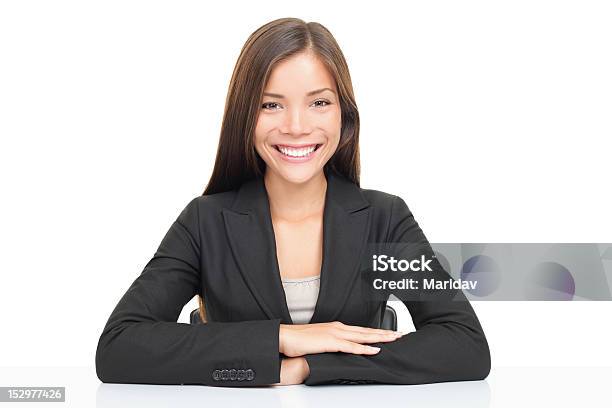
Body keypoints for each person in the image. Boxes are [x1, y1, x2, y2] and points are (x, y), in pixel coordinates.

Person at [95, 17, 490, 387]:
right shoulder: (205, 221)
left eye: (319, 102)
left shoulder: (383, 219)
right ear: (245, 117)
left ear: (344, 116)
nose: (297, 127)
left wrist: (305, 367)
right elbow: (119, 346)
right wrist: (283, 339)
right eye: (271, 105)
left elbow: (465, 345)